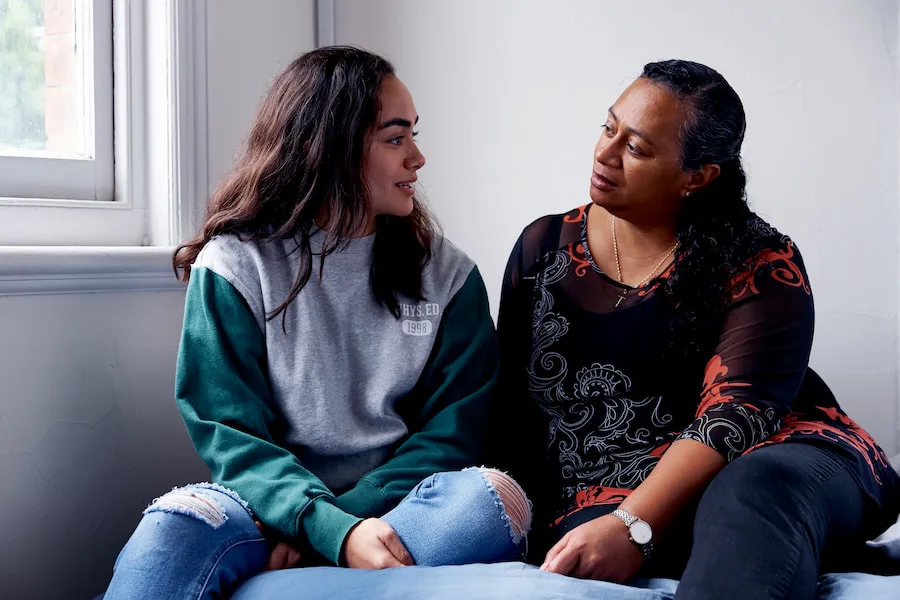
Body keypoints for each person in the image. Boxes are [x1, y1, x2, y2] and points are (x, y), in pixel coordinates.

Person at [101, 46, 531, 599]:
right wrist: (324, 526)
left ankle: (302, 577)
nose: (417, 159)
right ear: (327, 147)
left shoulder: (449, 277)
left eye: (413, 136)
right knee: (174, 525)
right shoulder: (235, 265)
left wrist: (338, 529)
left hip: (400, 508)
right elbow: (229, 434)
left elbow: (453, 434)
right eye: (396, 139)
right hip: (262, 504)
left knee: (492, 501)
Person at [489, 59, 900, 599]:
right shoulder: (543, 249)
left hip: (777, 461)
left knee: (750, 492)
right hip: (612, 493)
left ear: (698, 176)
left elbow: (736, 415)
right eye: (608, 128)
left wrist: (633, 526)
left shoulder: (760, 258)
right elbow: (514, 412)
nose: (604, 154)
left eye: (635, 148)